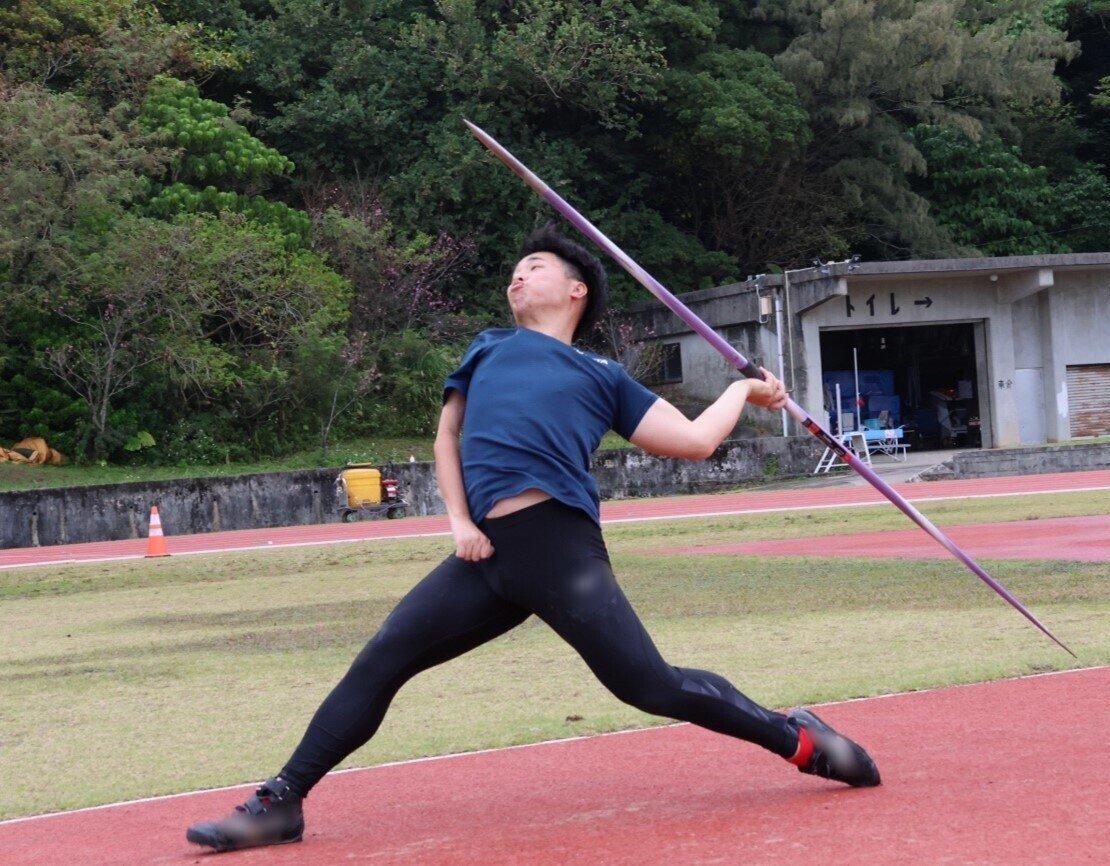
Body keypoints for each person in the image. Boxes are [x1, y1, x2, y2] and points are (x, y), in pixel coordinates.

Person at [186, 225, 880, 854]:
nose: (517, 276)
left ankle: (797, 739)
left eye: (534, 266)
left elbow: (695, 443)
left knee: (649, 686)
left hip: (558, 550)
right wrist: (458, 522)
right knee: (380, 661)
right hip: (484, 553)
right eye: (515, 268)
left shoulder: (603, 376)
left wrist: (741, 392)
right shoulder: (488, 347)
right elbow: (446, 437)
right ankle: (282, 802)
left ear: (575, 290)